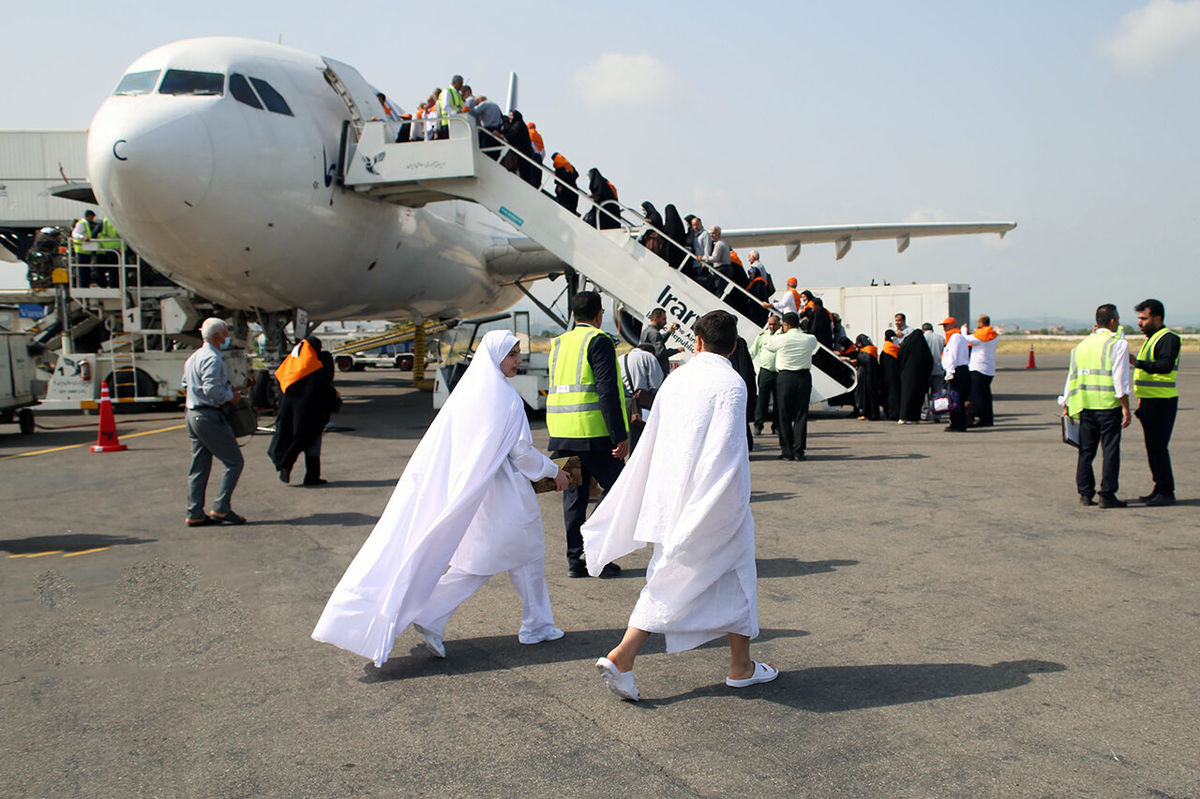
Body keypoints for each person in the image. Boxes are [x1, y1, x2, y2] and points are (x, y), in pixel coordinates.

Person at [312, 331, 570, 665]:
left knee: (512, 557)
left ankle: (536, 624)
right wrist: (553, 471)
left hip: (476, 492)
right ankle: (442, 614)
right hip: (503, 494)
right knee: (492, 560)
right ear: (495, 358)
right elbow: (521, 453)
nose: (519, 360)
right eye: (513, 354)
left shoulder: (469, 394)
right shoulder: (505, 399)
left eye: (518, 353)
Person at [584, 310, 776, 701]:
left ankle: (741, 666)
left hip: (670, 500)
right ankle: (623, 656)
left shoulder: (676, 379)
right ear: (735, 346)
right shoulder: (732, 384)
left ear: (698, 342)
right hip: (714, 502)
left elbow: (656, 440)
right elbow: (727, 453)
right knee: (694, 579)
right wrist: (719, 506)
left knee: (691, 575)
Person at [548, 291, 629, 578]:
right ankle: (596, 555)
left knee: (574, 498)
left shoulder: (558, 344)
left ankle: (575, 560)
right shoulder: (599, 340)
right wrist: (619, 435)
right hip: (593, 434)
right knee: (618, 492)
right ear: (599, 315)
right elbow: (607, 391)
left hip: (562, 433)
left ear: (572, 315)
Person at [1060, 304, 1131, 508]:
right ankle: (1107, 494)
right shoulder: (1117, 344)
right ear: (1112, 321)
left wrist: (1066, 403)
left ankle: (1085, 493)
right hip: (1109, 406)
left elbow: (1071, 377)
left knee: (1086, 451)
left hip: (1085, 406)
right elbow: (1120, 380)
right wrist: (1125, 406)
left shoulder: (1080, 346)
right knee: (1110, 450)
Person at [181, 318, 245, 526]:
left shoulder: (194, 357)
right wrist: (230, 395)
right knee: (234, 462)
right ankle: (221, 508)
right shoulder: (213, 359)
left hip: (193, 414)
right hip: (208, 415)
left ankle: (194, 511)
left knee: (199, 466)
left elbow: (185, 383)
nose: (227, 338)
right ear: (218, 337)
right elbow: (212, 390)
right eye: (225, 334)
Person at [1130, 298, 1180, 506]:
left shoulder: (1168, 338)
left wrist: (1137, 363)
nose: (1140, 323)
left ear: (1157, 318)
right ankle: (1159, 487)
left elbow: (1164, 365)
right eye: (1139, 318)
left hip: (1162, 401)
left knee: (1158, 447)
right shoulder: (1152, 338)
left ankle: (1166, 491)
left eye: (1144, 318)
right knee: (1153, 448)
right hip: (1150, 401)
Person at [269, 337, 338, 485]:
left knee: (293, 440)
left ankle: (286, 465)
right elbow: (323, 388)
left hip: (290, 414)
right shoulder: (315, 367)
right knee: (312, 443)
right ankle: (312, 476)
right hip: (311, 415)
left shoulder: (291, 366)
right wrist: (335, 399)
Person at [762, 312, 819, 460]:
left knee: (784, 415)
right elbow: (814, 346)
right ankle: (799, 451)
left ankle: (787, 451)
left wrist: (780, 332)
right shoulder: (809, 339)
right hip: (804, 377)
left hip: (785, 378)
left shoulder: (782, 338)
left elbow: (768, 345)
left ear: (785, 325)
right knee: (801, 415)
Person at [619, 344, 664, 452]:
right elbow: (656, 384)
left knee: (627, 441)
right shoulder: (648, 357)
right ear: (651, 352)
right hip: (642, 405)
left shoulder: (619, 359)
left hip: (622, 402)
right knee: (642, 443)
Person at [965, 315, 999, 426]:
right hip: (989, 368)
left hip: (978, 367)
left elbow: (965, 339)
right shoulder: (993, 335)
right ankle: (988, 419)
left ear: (981, 323)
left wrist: (963, 330)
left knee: (977, 395)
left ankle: (982, 418)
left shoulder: (981, 336)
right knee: (986, 395)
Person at [750, 315, 781, 435]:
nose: (772, 327)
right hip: (766, 372)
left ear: (779, 324)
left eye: (774, 324)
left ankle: (776, 426)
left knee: (779, 402)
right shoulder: (762, 336)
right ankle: (758, 425)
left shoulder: (783, 336)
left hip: (779, 372)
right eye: (770, 324)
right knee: (762, 400)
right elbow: (753, 351)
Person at [898, 322, 934, 423]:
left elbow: (900, 355)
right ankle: (914, 417)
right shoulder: (924, 348)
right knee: (918, 397)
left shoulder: (907, 345)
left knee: (906, 396)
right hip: (921, 377)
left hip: (907, 375)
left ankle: (903, 417)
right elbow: (930, 361)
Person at [940, 317, 971, 431]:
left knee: (955, 398)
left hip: (956, 370)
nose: (944, 328)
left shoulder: (955, 338)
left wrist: (950, 373)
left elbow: (953, 356)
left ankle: (957, 424)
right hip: (960, 370)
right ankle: (958, 423)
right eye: (943, 326)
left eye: (946, 325)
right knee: (957, 399)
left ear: (953, 325)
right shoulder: (958, 337)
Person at [502, 110, 540, 187]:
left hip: (523, 152)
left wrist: (503, 136)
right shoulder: (521, 125)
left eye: (511, 116)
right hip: (527, 153)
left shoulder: (518, 125)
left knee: (525, 172)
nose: (510, 118)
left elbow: (513, 135)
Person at [638, 307, 680, 374]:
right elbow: (661, 353)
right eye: (663, 319)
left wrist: (669, 331)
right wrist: (677, 350)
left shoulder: (646, 331)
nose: (665, 322)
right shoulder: (654, 333)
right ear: (655, 319)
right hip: (658, 371)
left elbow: (658, 342)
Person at [849, 334, 880, 420]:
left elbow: (862, 360)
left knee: (866, 396)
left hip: (866, 377)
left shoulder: (867, 351)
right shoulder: (872, 349)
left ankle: (868, 415)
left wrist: (854, 360)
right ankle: (871, 414)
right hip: (872, 376)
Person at [921, 322, 944, 421]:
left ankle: (924, 414)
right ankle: (937, 414)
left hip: (926, 370)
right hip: (939, 369)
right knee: (937, 392)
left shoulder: (922, 338)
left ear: (923, 330)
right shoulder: (940, 338)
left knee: (924, 393)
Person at [880, 329, 901, 421]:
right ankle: (895, 413)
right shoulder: (896, 349)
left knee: (887, 394)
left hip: (885, 376)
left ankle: (889, 413)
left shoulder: (885, 349)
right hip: (895, 376)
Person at [71, 210, 96, 287]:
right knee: (83, 270)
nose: (93, 219)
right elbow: (75, 234)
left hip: (86, 250)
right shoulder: (82, 224)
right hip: (81, 250)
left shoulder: (86, 224)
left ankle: (85, 285)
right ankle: (83, 286)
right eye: (92, 217)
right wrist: (83, 238)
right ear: (88, 216)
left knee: (86, 270)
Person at [435, 75, 465, 139]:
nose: (461, 86)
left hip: (457, 122)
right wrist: (455, 114)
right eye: (460, 83)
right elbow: (445, 106)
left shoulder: (458, 94)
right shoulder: (447, 91)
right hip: (447, 122)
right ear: (454, 83)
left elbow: (461, 106)